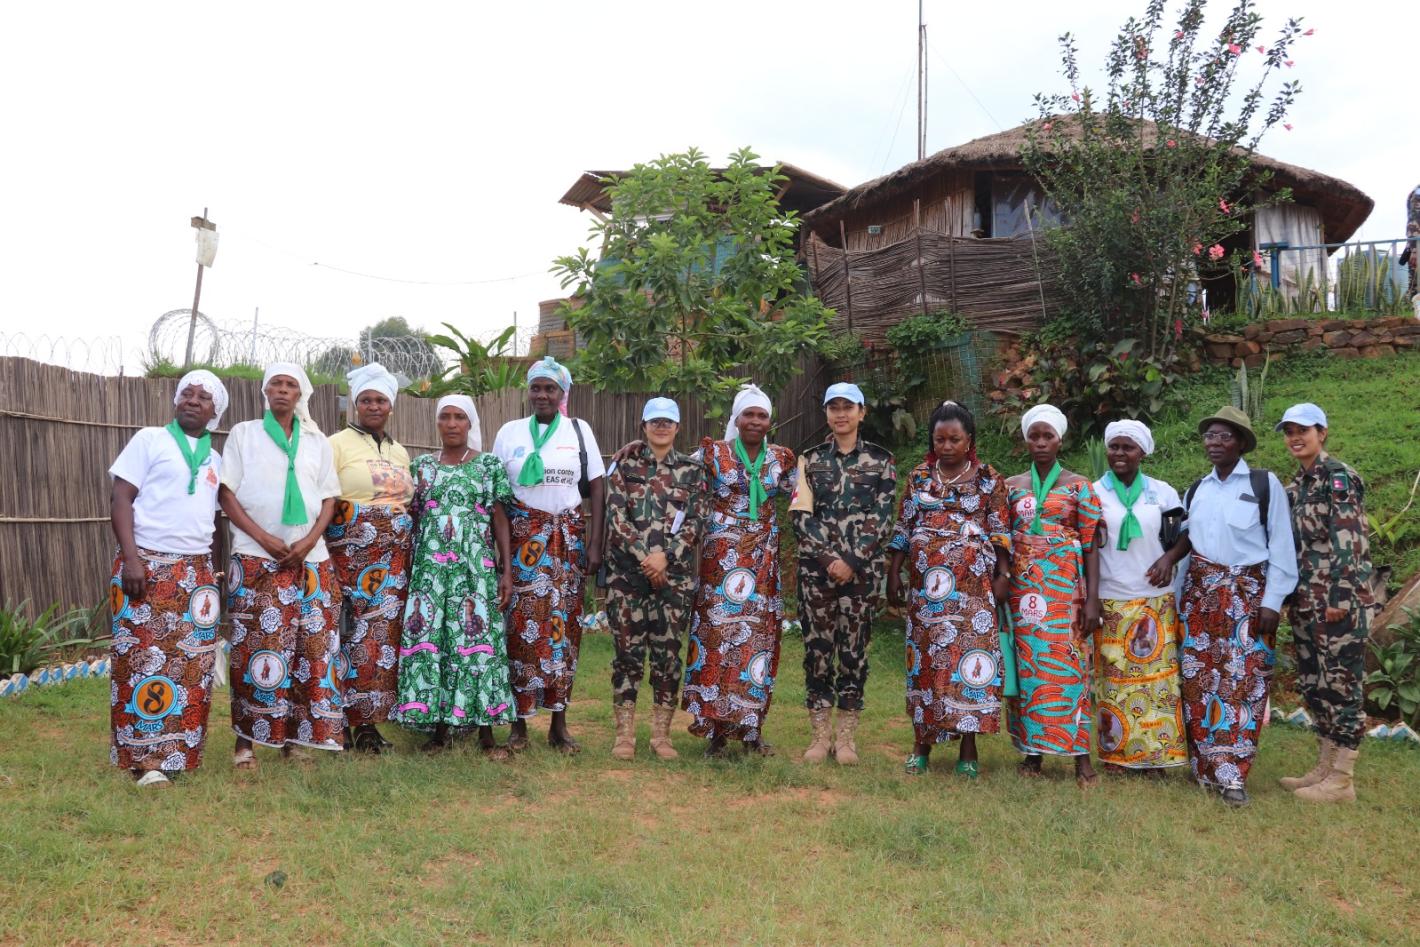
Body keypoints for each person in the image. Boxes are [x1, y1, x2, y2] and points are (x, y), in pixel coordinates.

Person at [1148, 405, 1297, 807]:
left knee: (1242, 684)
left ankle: (1232, 774)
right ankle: (1207, 768)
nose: (1214, 443)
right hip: (1200, 600)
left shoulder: (1266, 486)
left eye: (1224, 436)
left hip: (1248, 600)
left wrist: (1273, 601)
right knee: (1198, 684)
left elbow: (1282, 546)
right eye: (1209, 436)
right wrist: (1177, 601)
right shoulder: (1197, 490)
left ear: (1242, 442)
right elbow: (1189, 547)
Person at [107, 370, 230, 787]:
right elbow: (121, 498)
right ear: (176, 401)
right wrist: (131, 559)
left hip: (195, 571)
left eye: (203, 397)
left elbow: (214, 520)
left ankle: (177, 753)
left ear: (216, 411)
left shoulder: (215, 459)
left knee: (191, 665)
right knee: (141, 661)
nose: (193, 401)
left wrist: (213, 574)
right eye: (187, 394)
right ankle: (143, 759)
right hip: (147, 564)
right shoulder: (149, 440)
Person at [219, 363, 344, 769]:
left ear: (300, 394)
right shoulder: (244, 434)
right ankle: (246, 743)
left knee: (310, 651)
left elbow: (329, 498)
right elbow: (227, 494)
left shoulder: (316, 440)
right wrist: (265, 538)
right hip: (258, 558)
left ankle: (296, 738)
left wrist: (309, 541)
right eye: (276, 383)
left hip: (312, 561)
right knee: (255, 650)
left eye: (291, 385)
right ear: (265, 390)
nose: (283, 390)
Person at [887, 400, 1011, 777]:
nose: (946, 446)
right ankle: (920, 746)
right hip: (927, 592)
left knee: (968, 665)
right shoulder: (920, 476)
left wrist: (1003, 576)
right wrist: (894, 574)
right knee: (926, 663)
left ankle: (968, 751)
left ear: (968, 439)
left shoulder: (990, 479)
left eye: (954, 439)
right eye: (940, 439)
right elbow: (903, 529)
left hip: (973, 591)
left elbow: (1000, 530)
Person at [393, 395, 517, 756]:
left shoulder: (488, 465)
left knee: (478, 646)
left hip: (475, 571)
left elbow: (499, 519)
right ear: (437, 423)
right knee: (437, 644)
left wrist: (506, 571)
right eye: (444, 417)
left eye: (458, 417)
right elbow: (410, 519)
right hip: (430, 573)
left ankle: (486, 735)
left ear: (470, 424)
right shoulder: (421, 468)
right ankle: (439, 730)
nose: (451, 424)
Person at [492, 356, 605, 753]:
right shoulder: (510, 432)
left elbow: (597, 486)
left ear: (562, 394)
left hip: (567, 542)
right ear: (529, 391)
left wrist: (594, 543)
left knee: (565, 630)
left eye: (550, 388)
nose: (542, 394)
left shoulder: (579, 431)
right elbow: (498, 497)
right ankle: (519, 724)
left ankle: (559, 722)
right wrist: (503, 556)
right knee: (520, 630)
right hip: (523, 543)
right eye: (536, 387)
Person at [682, 384, 797, 757]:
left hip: (762, 565)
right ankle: (715, 730)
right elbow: (675, 479)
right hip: (721, 563)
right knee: (718, 640)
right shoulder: (712, 453)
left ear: (769, 421)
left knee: (757, 643)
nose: (755, 421)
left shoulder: (782, 459)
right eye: (748, 414)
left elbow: (805, 497)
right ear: (736, 418)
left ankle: (750, 729)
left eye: (762, 415)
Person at [790, 382, 897, 765]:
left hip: (861, 576)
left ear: (861, 412)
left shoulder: (882, 462)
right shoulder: (810, 460)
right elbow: (801, 515)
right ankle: (820, 736)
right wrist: (828, 558)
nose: (840, 413)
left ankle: (847, 738)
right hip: (817, 575)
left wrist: (851, 560)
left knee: (853, 653)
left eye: (848, 406)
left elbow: (883, 519)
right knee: (817, 652)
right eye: (833, 407)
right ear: (825, 414)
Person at [1276, 403, 1376, 803]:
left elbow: (1349, 540)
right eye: (1289, 432)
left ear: (1323, 433)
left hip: (1337, 601)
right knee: (1315, 685)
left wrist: (1340, 595)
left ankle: (1342, 778)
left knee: (1342, 685)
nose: (1295, 438)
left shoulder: (1338, 479)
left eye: (1303, 430)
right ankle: (1324, 766)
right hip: (1305, 599)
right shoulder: (1297, 485)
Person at [603, 397, 708, 760]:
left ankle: (661, 736)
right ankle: (625, 736)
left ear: (677, 428)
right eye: (655, 421)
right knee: (627, 655)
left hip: (673, 579)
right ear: (644, 426)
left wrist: (667, 557)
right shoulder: (624, 464)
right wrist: (645, 557)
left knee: (668, 657)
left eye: (668, 422)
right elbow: (616, 516)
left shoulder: (693, 472)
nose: (661, 427)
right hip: (627, 577)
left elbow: (696, 521)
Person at [1005, 404, 1102, 787]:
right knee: (1030, 672)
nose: (1041, 443)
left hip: (1066, 595)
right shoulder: (1012, 486)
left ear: (1061, 439)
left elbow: (1092, 545)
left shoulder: (1079, 486)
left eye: (1048, 436)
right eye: (1034, 436)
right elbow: (1002, 540)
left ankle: (1081, 759)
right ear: (1026, 439)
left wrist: (1092, 599)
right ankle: (1032, 754)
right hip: (1024, 594)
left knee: (1071, 672)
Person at [325, 363, 414, 753]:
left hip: (392, 563)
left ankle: (368, 725)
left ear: (391, 406)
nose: (373, 406)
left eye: (380, 400)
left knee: (380, 643)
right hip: (349, 558)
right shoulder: (336, 444)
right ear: (355, 404)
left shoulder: (399, 451)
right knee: (346, 636)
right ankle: (338, 724)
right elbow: (324, 500)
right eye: (366, 400)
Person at [1091, 419, 1187, 775]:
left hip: (1154, 599)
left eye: (1127, 447)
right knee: (1114, 682)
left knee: (1157, 683)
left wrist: (1168, 559)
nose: (1119, 453)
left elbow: (1184, 534)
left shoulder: (1161, 492)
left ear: (1142, 452)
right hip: (1111, 598)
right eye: (1114, 446)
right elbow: (1086, 546)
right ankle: (1117, 756)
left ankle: (1154, 757)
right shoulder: (1093, 493)